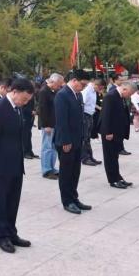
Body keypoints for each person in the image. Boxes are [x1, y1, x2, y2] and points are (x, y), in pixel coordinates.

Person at [0, 77, 35, 253]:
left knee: (13, 201)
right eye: (25, 99)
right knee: (0, 202)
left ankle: (12, 233)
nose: (26, 102)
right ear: (14, 92)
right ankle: (1, 236)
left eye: (28, 100)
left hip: (15, 164)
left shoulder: (18, 109)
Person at [54, 69, 91, 214]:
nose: (83, 87)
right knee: (66, 172)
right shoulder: (62, 95)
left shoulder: (78, 95)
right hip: (66, 141)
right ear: (74, 80)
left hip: (77, 139)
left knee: (75, 171)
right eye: (82, 84)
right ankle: (67, 201)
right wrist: (65, 141)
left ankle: (74, 197)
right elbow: (61, 121)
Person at [101, 81, 136, 189]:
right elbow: (106, 115)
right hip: (110, 133)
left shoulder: (120, 96)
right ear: (124, 89)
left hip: (117, 132)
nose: (129, 96)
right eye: (129, 94)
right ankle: (113, 180)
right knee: (110, 157)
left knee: (115, 156)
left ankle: (118, 177)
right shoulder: (110, 96)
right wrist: (108, 132)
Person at [36, 74, 61, 180]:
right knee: (47, 147)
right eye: (58, 85)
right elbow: (42, 110)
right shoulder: (44, 91)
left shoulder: (53, 91)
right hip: (48, 125)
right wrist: (46, 125)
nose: (59, 87)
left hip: (54, 123)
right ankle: (46, 170)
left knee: (54, 147)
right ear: (53, 82)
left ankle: (52, 167)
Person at [80, 77, 102, 166]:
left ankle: (90, 156)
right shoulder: (87, 90)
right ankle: (85, 158)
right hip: (85, 115)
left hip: (90, 115)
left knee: (88, 137)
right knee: (85, 138)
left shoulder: (93, 91)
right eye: (100, 88)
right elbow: (82, 103)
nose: (100, 90)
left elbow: (92, 104)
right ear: (96, 85)